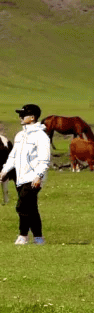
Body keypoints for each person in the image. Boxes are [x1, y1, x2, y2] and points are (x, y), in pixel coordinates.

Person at [3, 103, 51, 245]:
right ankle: (38, 237)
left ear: (32, 117)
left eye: (23, 115)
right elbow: (13, 156)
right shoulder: (20, 135)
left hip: (34, 177)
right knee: (31, 207)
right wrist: (4, 171)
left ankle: (23, 236)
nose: (20, 117)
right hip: (20, 176)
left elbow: (44, 159)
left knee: (21, 206)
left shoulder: (41, 136)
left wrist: (39, 176)